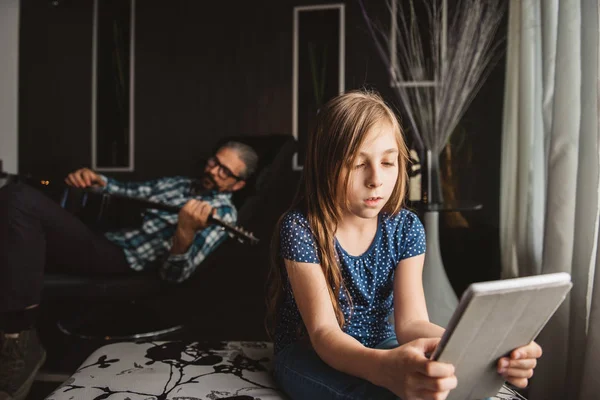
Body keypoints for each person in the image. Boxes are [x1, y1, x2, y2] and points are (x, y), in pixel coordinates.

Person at [266, 90, 542, 400]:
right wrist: (382, 367)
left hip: (383, 348)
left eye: (388, 162)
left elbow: (411, 323)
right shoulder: (302, 228)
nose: (376, 180)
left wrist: (489, 348)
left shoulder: (405, 227)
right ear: (323, 166)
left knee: (439, 386)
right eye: (358, 164)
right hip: (310, 354)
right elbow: (324, 334)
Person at [0, 141, 258, 400]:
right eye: (215, 162)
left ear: (238, 185)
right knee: (14, 216)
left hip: (120, 257)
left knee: (20, 198)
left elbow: (174, 276)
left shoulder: (223, 214)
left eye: (225, 171)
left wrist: (184, 233)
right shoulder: (181, 184)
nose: (214, 171)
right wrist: (97, 180)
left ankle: (18, 337)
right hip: (102, 237)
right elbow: (130, 191)